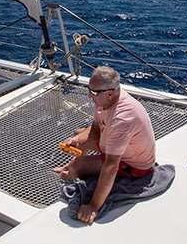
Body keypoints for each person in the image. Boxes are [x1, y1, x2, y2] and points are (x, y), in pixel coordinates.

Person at [53, 66, 156, 225]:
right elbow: (95, 129)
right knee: (78, 134)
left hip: (133, 165)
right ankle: (75, 166)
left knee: (76, 167)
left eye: (93, 93)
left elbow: (111, 165)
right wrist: (79, 141)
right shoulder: (106, 100)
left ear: (109, 93)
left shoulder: (123, 118)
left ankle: (75, 171)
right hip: (121, 146)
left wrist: (93, 206)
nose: (89, 95)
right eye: (89, 90)